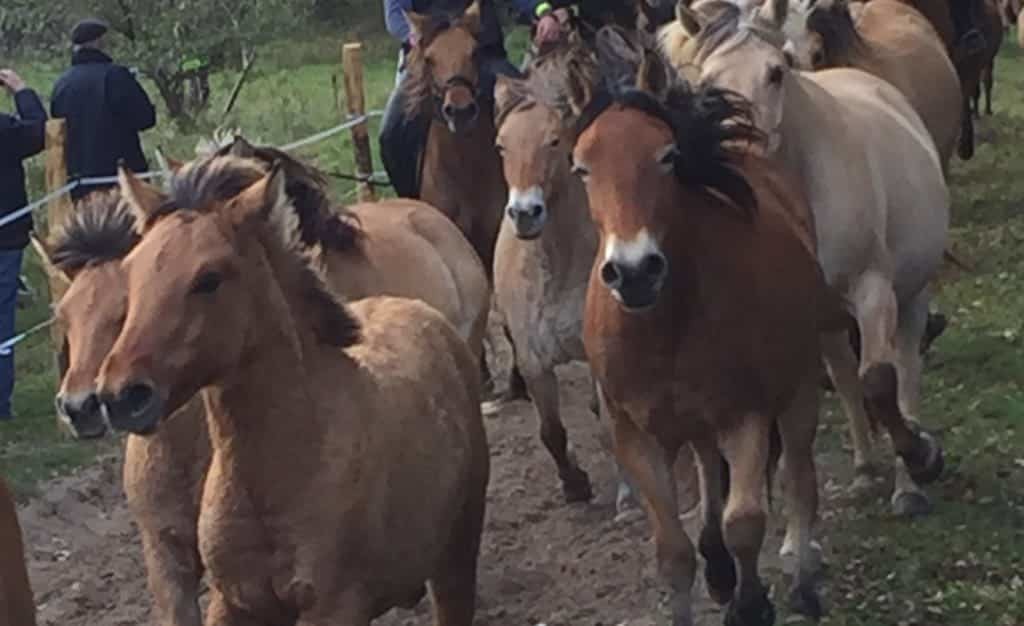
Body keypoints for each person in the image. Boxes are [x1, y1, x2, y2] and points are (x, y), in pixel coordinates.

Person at [379, 0, 566, 198]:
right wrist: (413, 35)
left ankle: (536, 192)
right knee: (391, 133)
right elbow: (395, 14)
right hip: (430, 56)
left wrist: (544, 12)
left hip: (482, 54)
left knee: (529, 114)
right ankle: (410, 199)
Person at [51, 18, 156, 201]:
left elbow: (59, 128)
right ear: (99, 42)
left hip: (80, 183)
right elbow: (145, 119)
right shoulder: (117, 76)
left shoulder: (62, 84)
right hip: (123, 180)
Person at [0, 69, 47, 421]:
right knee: (2, 320)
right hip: (6, 238)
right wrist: (21, 88)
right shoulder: (4, 129)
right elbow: (39, 131)